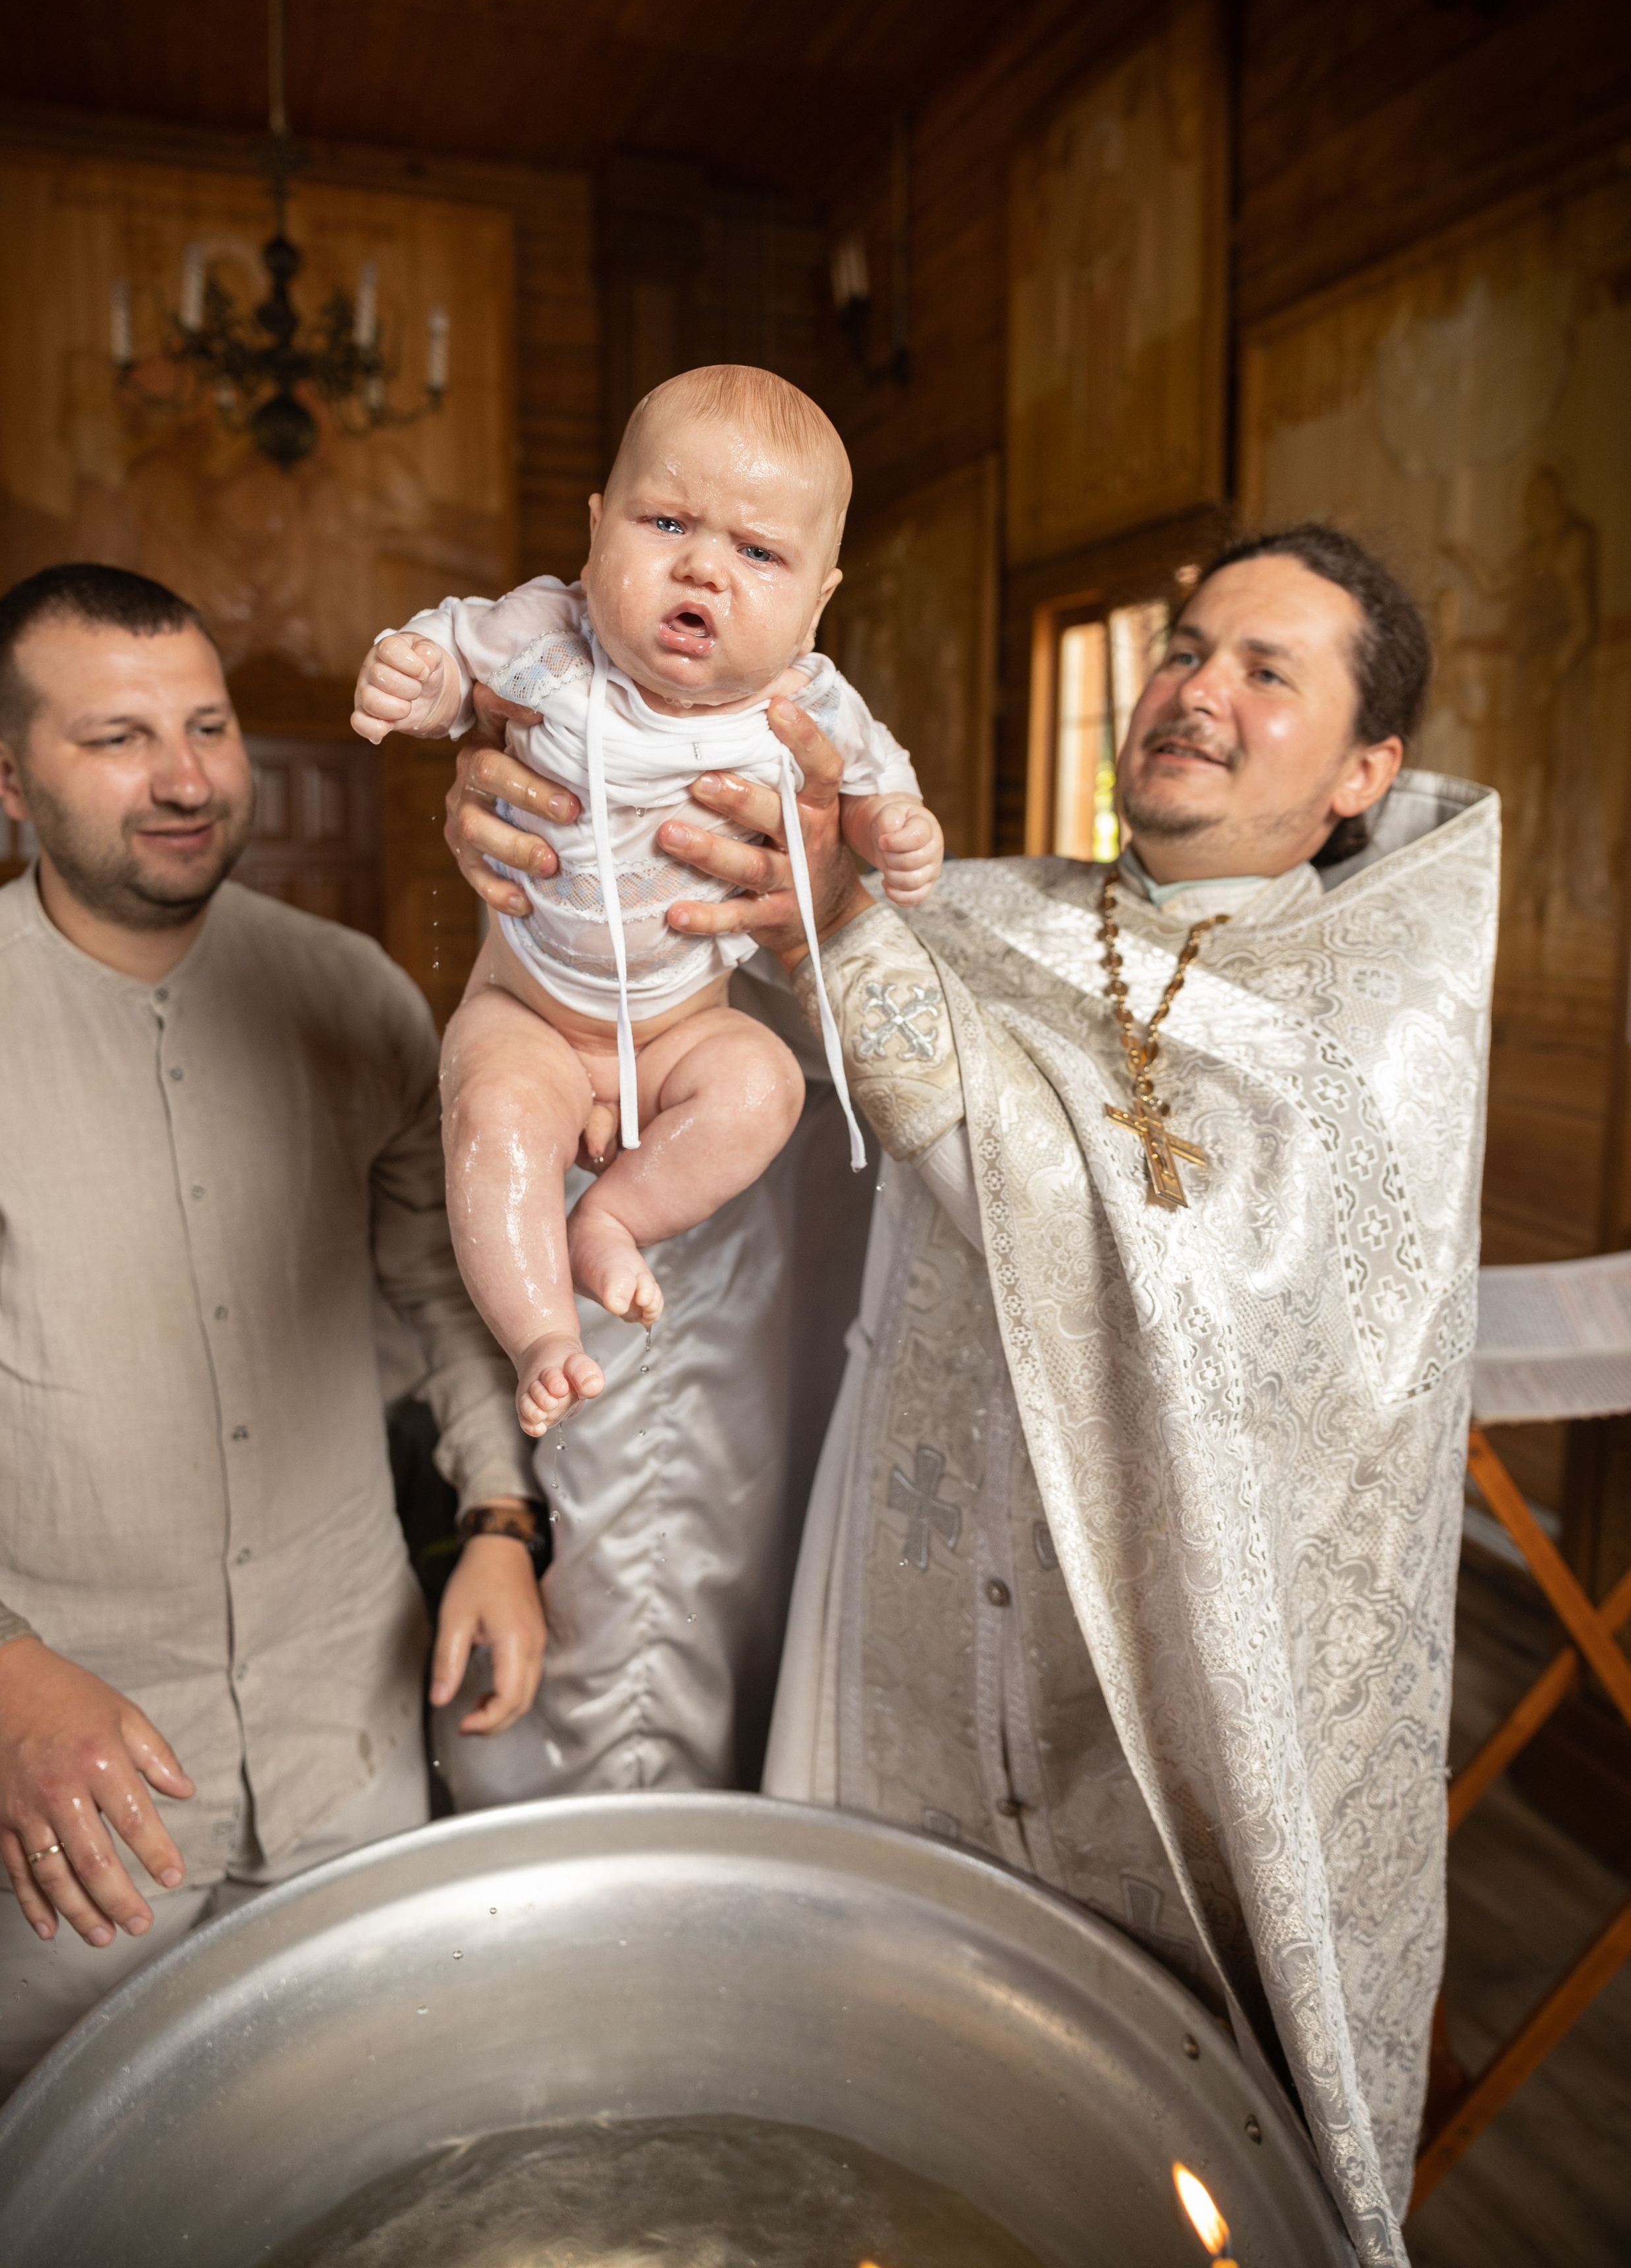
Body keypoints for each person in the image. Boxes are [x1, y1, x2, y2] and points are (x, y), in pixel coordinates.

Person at [444, 524, 1496, 2268]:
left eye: (1266, 671)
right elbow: (644, 1023)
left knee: (1145, 2178)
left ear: (1368, 771)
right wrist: (539, 845)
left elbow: (1102, 1221)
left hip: (1159, 1701)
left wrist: (844, 923)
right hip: (912, 1647)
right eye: (1186, 647)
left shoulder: (1378, 1020)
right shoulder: (988, 910)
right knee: (889, 2139)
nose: (1196, 693)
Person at [0, 565, 542, 2146]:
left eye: (207, 725)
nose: (189, 776)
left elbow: (444, 1296)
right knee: (58, 2199)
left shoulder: (351, 995)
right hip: (63, 1813)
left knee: (375, 2163)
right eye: (119, 737)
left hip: (345, 1741)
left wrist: (498, 1521)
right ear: (6, 772)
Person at [351, 366, 942, 1435]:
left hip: (682, 1026)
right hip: (529, 1009)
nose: (702, 568)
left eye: (758, 553)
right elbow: (456, 653)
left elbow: (871, 781)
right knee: (494, 1120)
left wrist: (891, 827)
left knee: (762, 1085)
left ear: (817, 600)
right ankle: (541, 1334)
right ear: (595, 531)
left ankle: (611, 1222)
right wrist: (418, 683)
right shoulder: (549, 633)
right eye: (666, 520)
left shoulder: (805, 700)